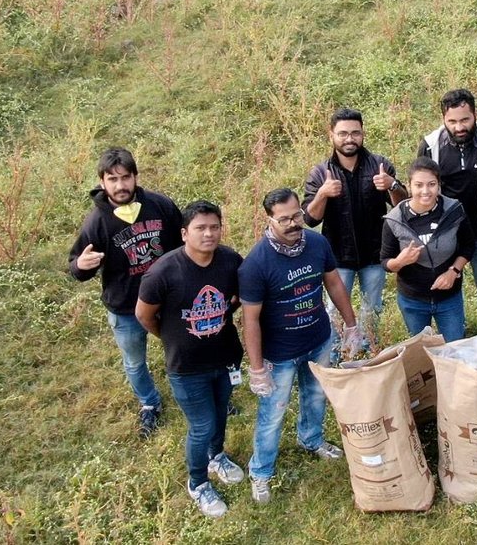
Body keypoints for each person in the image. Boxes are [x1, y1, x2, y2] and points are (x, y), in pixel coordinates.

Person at [240, 187, 361, 504]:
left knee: (316, 395)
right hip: (279, 354)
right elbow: (250, 320)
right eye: (284, 220)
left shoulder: (318, 243)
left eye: (296, 215)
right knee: (273, 414)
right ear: (269, 220)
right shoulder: (256, 263)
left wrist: (351, 325)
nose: (294, 223)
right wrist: (256, 369)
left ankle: (312, 439)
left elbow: (333, 282)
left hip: (318, 340)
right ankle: (261, 472)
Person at [135, 201, 245, 518]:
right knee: (202, 425)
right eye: (200, 228)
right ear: (184, 233)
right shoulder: (163, 272)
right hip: (186, 367)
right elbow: (144, 315)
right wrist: (172, 337)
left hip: (224, 358)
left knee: (220, 416)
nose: (209, 233)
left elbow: (238, 297)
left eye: (214, 227)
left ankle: (217, 456)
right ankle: (197, 484)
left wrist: (221, 318)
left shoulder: (229, 261)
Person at [68, 147, 182, 439]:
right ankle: (149, 403)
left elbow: (184, 244)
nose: (120, 186)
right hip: (125, 307)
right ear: (102, 182)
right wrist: (81, 265)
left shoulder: (160, 206)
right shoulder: (97, 222)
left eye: (125, 177)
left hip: (166, 300)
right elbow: (77, 267)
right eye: (112, 179)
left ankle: (198, 393)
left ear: (135, 177)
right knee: (134, 361)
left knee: (184, 349)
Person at [416, 88, 477, 334]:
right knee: (442, 286)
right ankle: (448, 335)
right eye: (452, 121)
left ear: (475, 115)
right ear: (443, 119)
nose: (459, 126)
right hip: (445, 232)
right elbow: (422, 186)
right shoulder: (430, 146)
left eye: (465, 120)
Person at [301, 107, 405, 320]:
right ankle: (338, 353)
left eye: (355, 133)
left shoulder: (379, 165)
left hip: (375, 254)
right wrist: (322, 194)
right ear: (332, 135)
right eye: (343, 134)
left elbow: (403, 208)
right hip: (337, 257)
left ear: (363, 133)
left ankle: (370, 350)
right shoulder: (321, 173)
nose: (349, 139)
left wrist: (392, 185)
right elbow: (310, 219)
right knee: (335, 313)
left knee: (372, 310)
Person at [381, 157, 474, 341]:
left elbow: (468, 246)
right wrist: (400, 262)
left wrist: (453, 271)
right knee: (421, 352)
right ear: (409, 186)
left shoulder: (454, 210)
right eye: (418, 185)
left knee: (453, 348)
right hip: (412, 300)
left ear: (439, 185)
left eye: (431, 184)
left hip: (450, 299)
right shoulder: (394, 220)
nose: (425, 191)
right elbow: (385, 261)